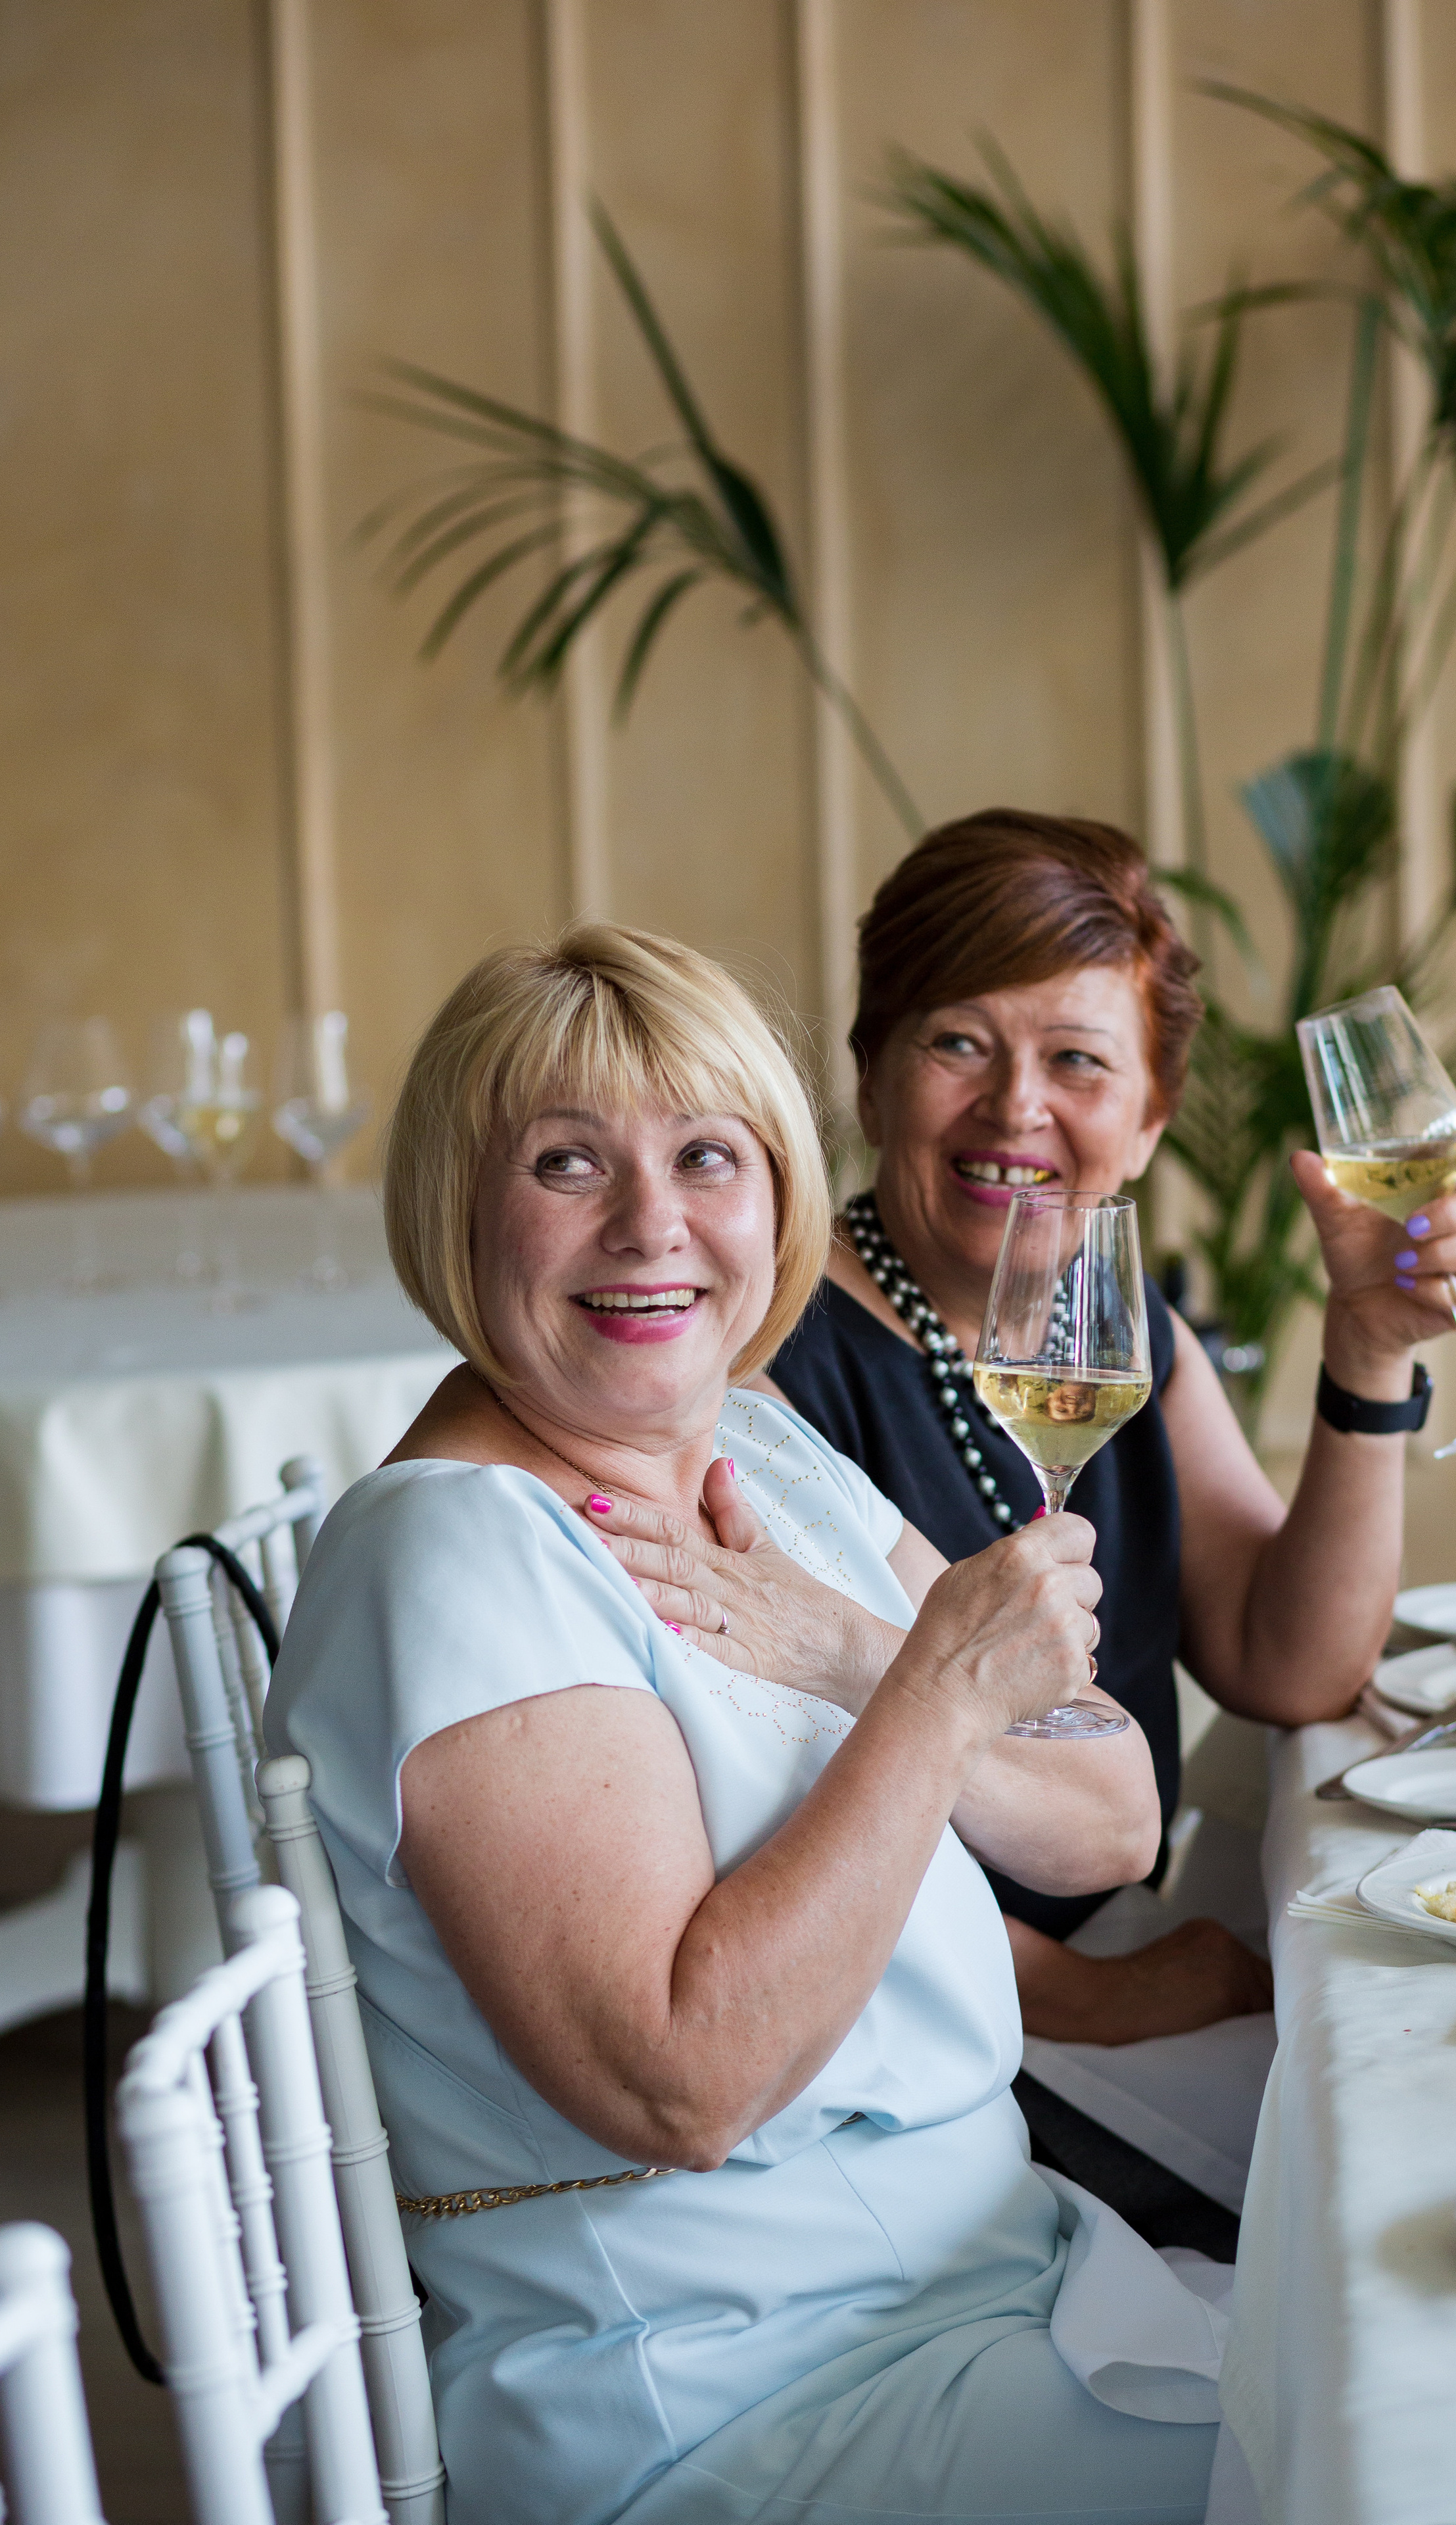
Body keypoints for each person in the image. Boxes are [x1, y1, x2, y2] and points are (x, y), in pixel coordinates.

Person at [264, 925, 1225, 2525]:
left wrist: (858, 1655)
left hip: (996, 2274)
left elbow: (1106, 1819)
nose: (650, 1225)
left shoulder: (754, 1443)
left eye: (705, 1156)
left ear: (777, 1193)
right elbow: (681, 2085)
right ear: (456, 1207)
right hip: (741, 2397)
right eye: (566, 1163)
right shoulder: (458, 1552)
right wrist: (929, 1695)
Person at [651, 808, 1456, 2240]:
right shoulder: (766, 1367)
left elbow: (1289, 1663)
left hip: (1102, 1948)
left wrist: (1368, 1352)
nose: (1015, 1109)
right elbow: (746, 1823)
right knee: (1380, 2194)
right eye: (958, 1043)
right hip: (924, 2049)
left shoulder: (1114, 1330)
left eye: (1079, 1062)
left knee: (1428, 2102)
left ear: (1151, 1119)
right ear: (870, 1077)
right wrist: (1094, 1993)